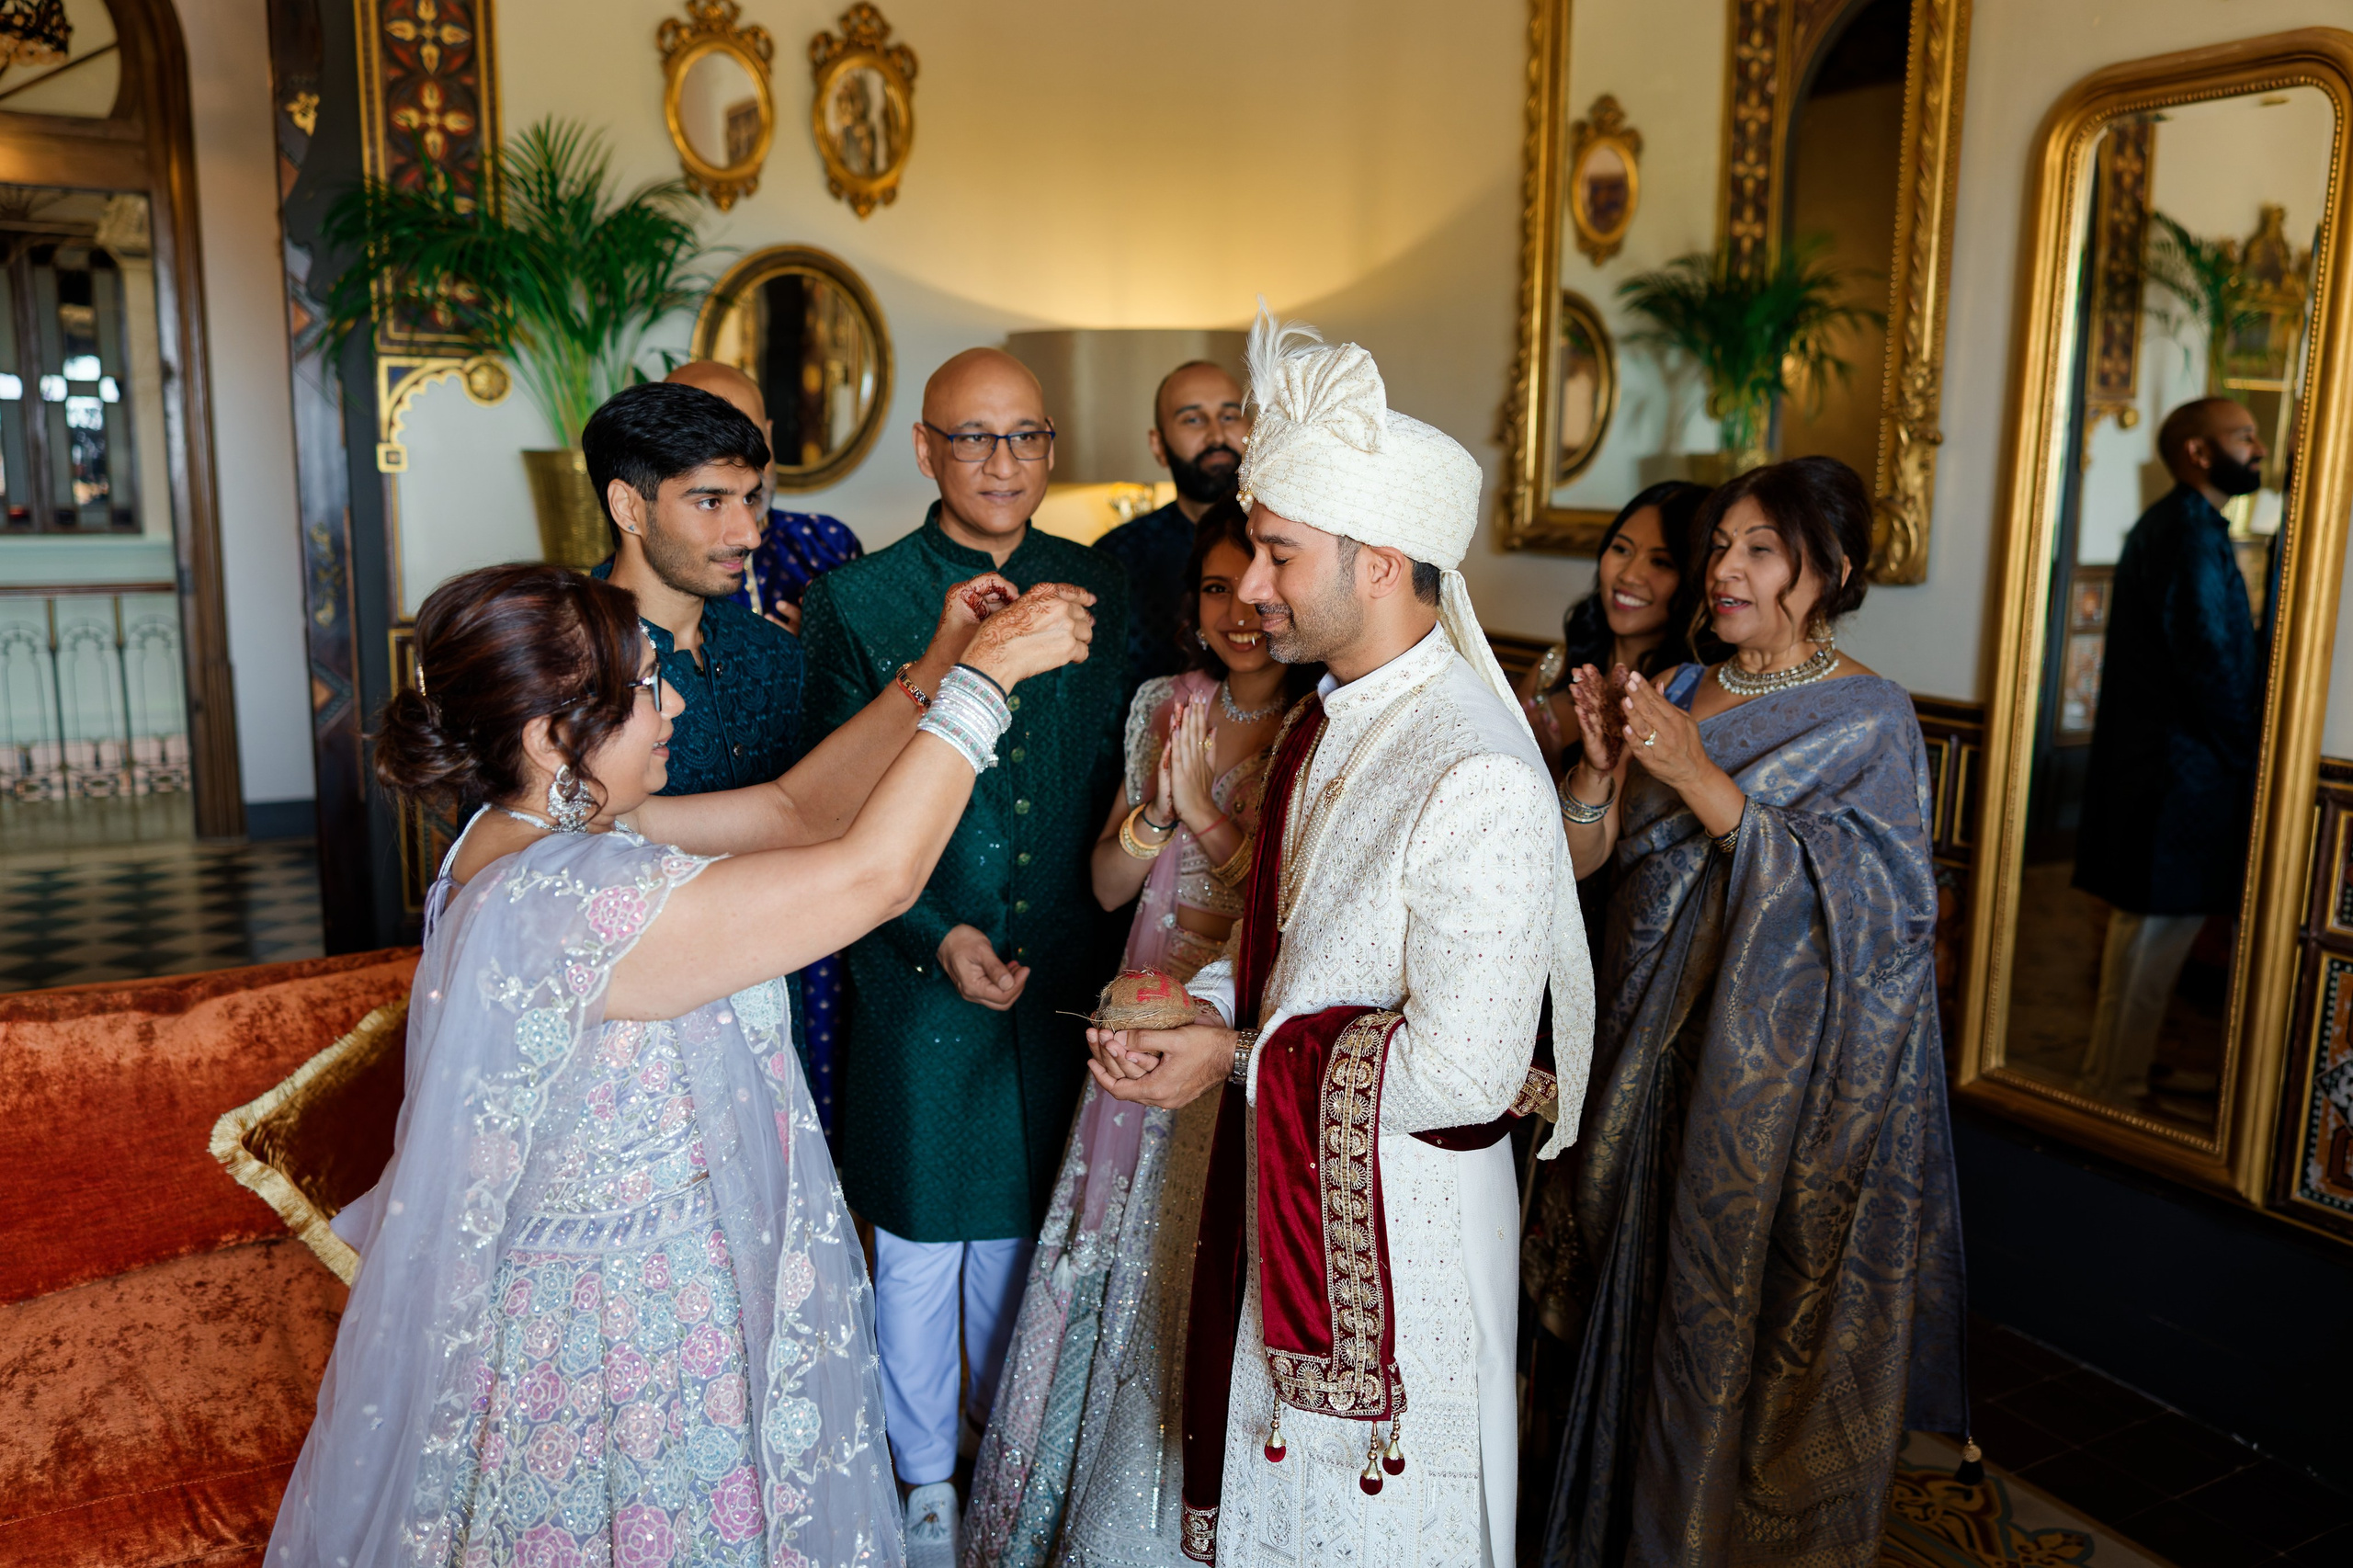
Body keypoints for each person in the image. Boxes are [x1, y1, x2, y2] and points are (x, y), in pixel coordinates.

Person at [267, 559, 1097, 1568]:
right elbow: (871, 876)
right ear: (548, 738)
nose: (673, 702)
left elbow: (796, 812)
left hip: (649, 1280)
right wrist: (987, 686)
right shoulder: (569, 899)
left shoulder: (531, 831)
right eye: (646, 687)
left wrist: (938, 661)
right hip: (628, 1337)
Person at [1083, 309, 1593, 1568]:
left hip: (1398, 1231)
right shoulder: (1334, 716)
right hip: (1293, 1181)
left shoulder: (1472, 763)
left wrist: (1237, 1059)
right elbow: (1300, 940)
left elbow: (1465, 1073)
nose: (1252, 589)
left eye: (1277, 554)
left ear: (1378, 562)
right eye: (1253, 552)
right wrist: (1197, 1006)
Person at [1537, 456, 1965, 1567]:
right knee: (1602, 1318)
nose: (1724, 568)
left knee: (1707, 1328)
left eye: (1758, 549)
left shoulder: (1868, 714)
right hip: (1628, 1045)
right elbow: (1587, 860)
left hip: (1749, 1091)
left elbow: (1877, 915)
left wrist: (1700, 781)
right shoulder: (1675, 688)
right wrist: (1594, 772)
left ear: (1829, 572)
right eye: (1720, 543)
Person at [800, 347, 1131, 1564]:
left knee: (1035, 1225)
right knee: (925, 1231)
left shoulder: (1105, 590)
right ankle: (924, 1478)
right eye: (976, 438)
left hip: (1066, 971)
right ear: (927, 448)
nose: (1004, 463)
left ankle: (1011, 1454)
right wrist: (935, 932)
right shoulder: (866, 599)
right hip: (916, 966)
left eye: (1028, 437)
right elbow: (829, 811)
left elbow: (1118, 780)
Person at [963, 498, 1321, 1568]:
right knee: (1107, 1227)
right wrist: (1158, 814)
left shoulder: (1319, 722)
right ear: (1195, 603)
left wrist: (1206, 817)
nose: (1239, 609)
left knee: (1194, 1232)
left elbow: (1284, 906)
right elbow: (1110, 879)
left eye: (1251, 583)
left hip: (1230, 1018)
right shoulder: (1166, 699)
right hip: (1139, 990)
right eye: (1214, 588)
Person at [665, 358, 866, 1126]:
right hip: (691, 911)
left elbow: (878, 701)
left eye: (744, 437)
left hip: (817, 874)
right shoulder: (605, 624)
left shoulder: (824, 547)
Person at [2074, 397, 2268, 1103]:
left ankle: (2112, 1075)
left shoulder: (2185, 526)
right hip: (2180, 777)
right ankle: (2114, 1090)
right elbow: (2210, 661)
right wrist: (2254, 754)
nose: (2259, 448)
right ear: (2197, 451)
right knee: (2150, 948)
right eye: (2244, 437)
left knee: (2144, 946)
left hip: (2171, 772)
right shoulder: (2186, 532)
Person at [1518, 482, 1715, 781]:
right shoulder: (1556, 664)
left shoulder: (1688, 694)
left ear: (1695, 580)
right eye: (1622, 549)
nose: (1629, 575)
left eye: (1661, 562)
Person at [666, 359, 866, 638]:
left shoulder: (829, 543)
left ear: (769, 434)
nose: (742, 464)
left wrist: (820, 649)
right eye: (712, 446)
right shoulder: (660, 563)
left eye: (754, 439)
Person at [1094, 360, 1251, 692]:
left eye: (1229, 416)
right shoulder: (1113, 558)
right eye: (1193, 419)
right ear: (1158, 445)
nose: (1216, 434)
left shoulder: (1289, 544)